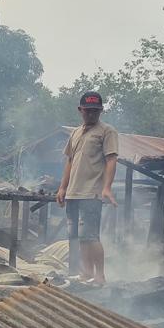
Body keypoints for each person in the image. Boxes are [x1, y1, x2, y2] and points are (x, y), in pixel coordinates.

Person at [55, 91, 119, 285]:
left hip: (91, 192)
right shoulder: (75, 132)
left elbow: (111, 159)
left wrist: (107, 188)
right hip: (73, 193)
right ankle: (85, 273)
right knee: (79, 236)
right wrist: (62, 188)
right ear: (80, 110)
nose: (91, 114)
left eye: (95, 111)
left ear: (101, 111)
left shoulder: (107, 131)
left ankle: (99, 276)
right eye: (88, 110)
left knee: (91, 236)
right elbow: (70, 161)